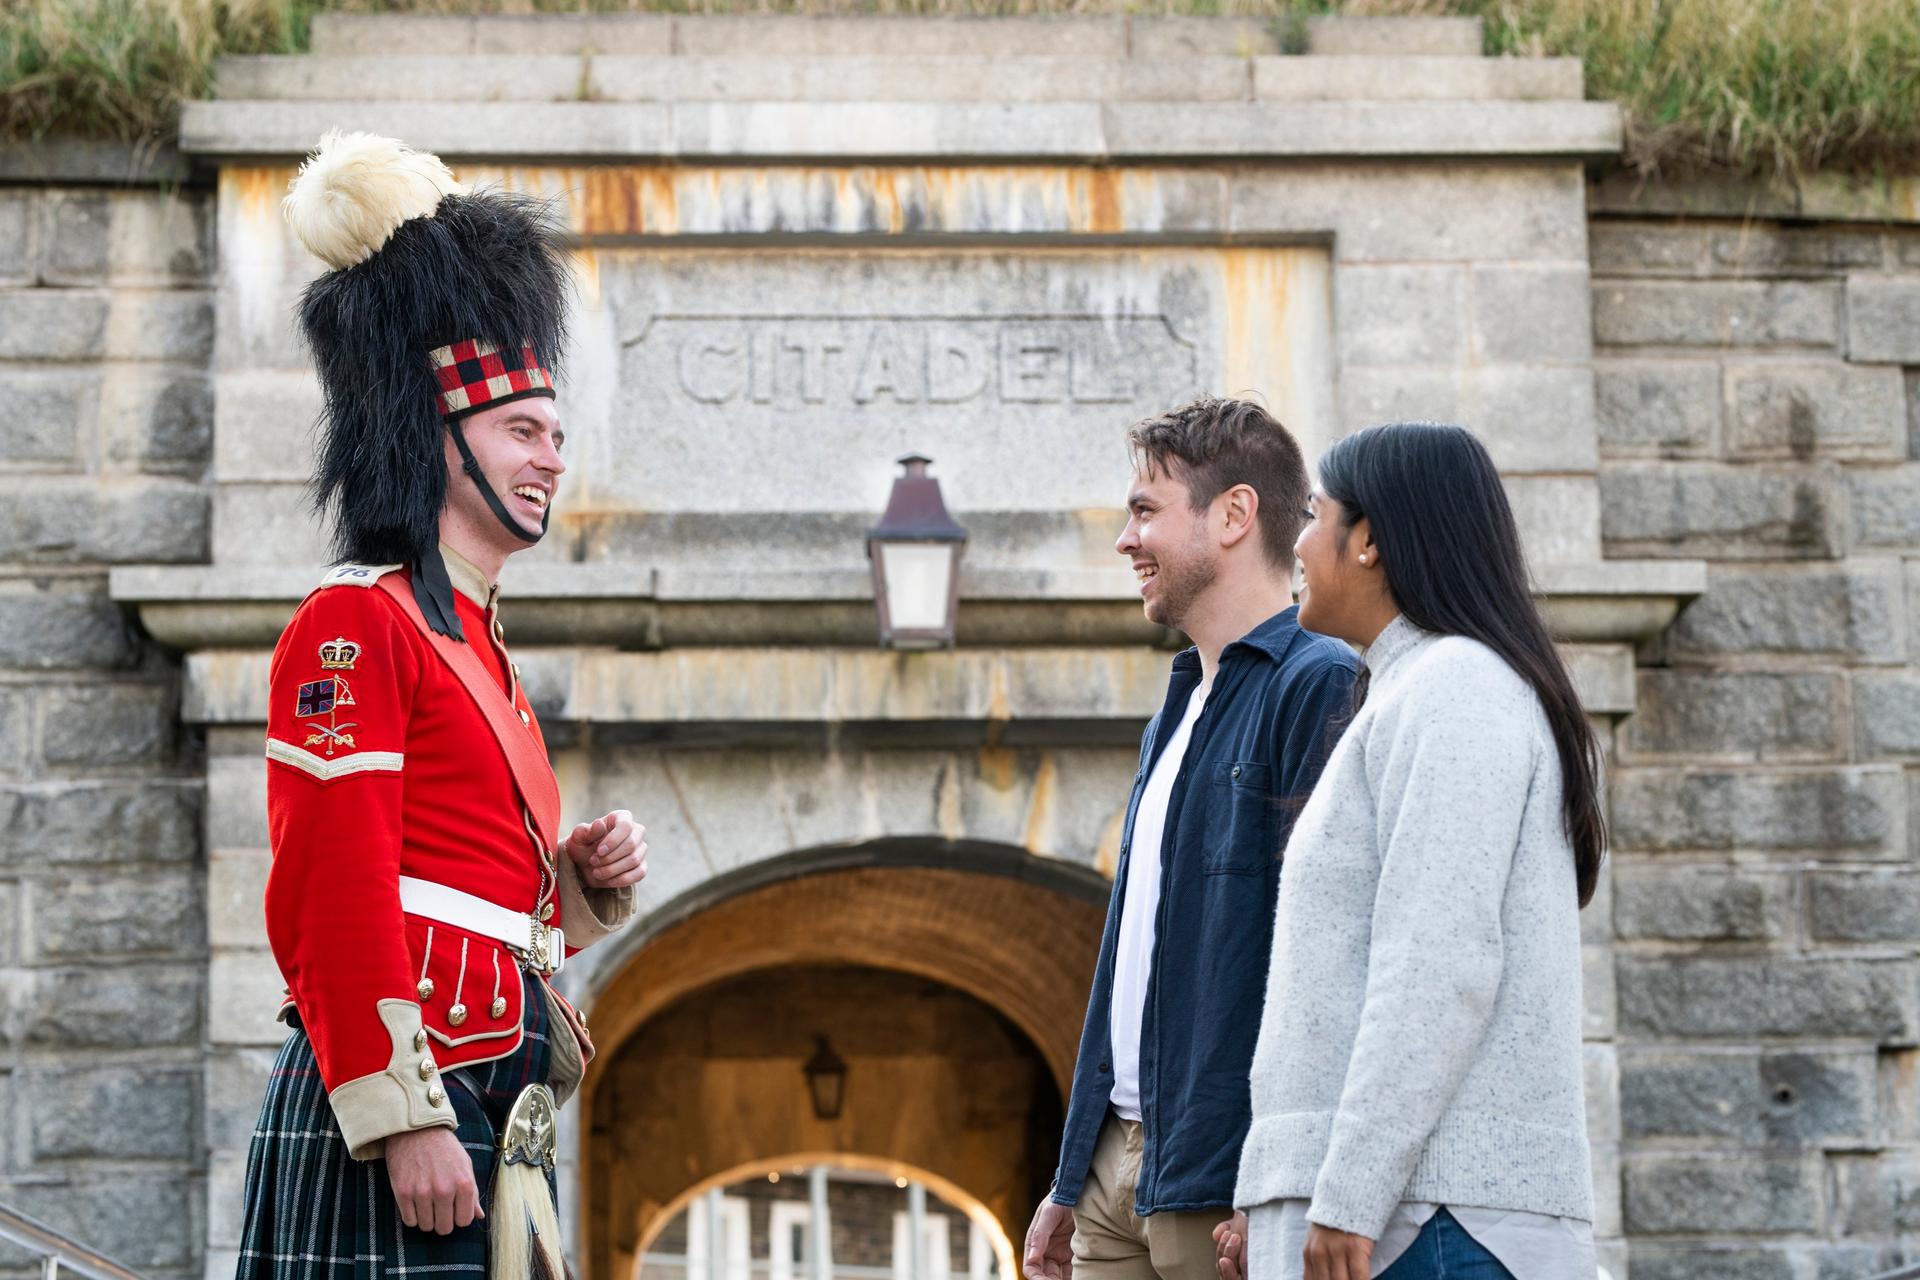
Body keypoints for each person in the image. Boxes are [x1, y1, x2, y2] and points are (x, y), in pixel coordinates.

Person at [236, 131, 650, 1280]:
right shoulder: (355, 621)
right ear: (439, 435)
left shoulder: (481, 642)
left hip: (490, 1082)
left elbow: (471, 891)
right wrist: (401, 1111)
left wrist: (571, 882)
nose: (551, 459)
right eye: (523, 430)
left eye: (557, 435)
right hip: (412, 1093)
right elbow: (332, 876)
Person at [1219, 422, 1603, 1280]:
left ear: (1372, 542)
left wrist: (1346, 1194)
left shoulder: (1457, 690)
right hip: (1406, 1221)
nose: (1299, 544)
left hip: (1430, 1223)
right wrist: (1275, 1191)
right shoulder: (1410, 693)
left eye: (1316, 516)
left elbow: (1438, 963)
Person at [1023, 397, 1356, 1280]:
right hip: (1114, 1177)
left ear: (1234, 515)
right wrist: (1070, 1175)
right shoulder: (1175, 709)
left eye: (1145, 511)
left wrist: (1278, 1178)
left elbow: (1324, 952)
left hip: (1225, 1184)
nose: (1127, 541)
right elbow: (1129, 957)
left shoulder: (1320, 684)